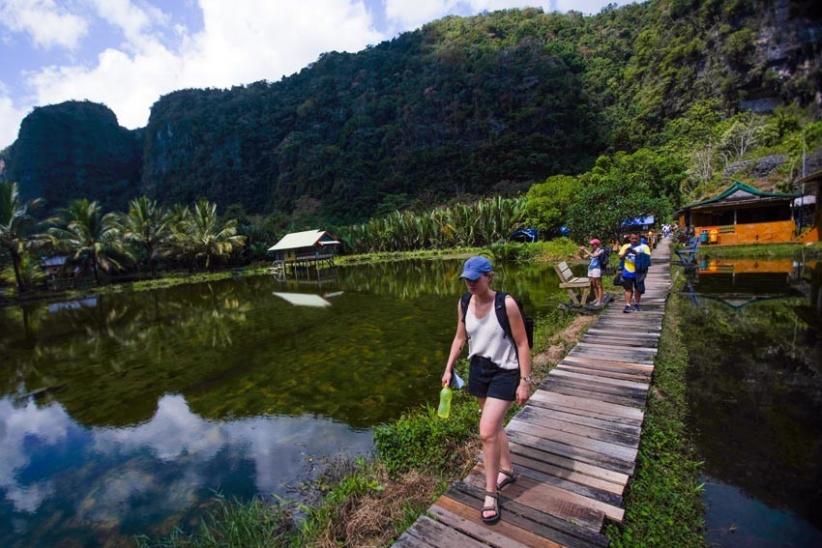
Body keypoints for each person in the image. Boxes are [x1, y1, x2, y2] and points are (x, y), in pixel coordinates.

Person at [441, 256, 531, 525]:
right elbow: (460, 337)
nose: (470, 283)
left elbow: (523, 342)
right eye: (466, 279)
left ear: (489, 277)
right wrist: (448, 368)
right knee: (493, 427)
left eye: (475, 279)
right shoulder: (465, 302)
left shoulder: (506, 303)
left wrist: (525, 380)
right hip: (478, 370)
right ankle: (508, 469)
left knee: (486, 431)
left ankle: (490, 494)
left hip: (505, 371)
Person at [579, 239, 604, 306]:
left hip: (597, 269)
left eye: (592, 244)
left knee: (599, 285)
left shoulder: (600, 250)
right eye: (591, 245)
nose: (591, 246)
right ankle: (597, 298)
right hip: (590, 269)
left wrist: (585, 250)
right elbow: (584, 258)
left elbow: (594, 256)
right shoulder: (592, 250)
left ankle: (600, 301)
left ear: (597, 244)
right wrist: (581, 252)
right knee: (594, 285)